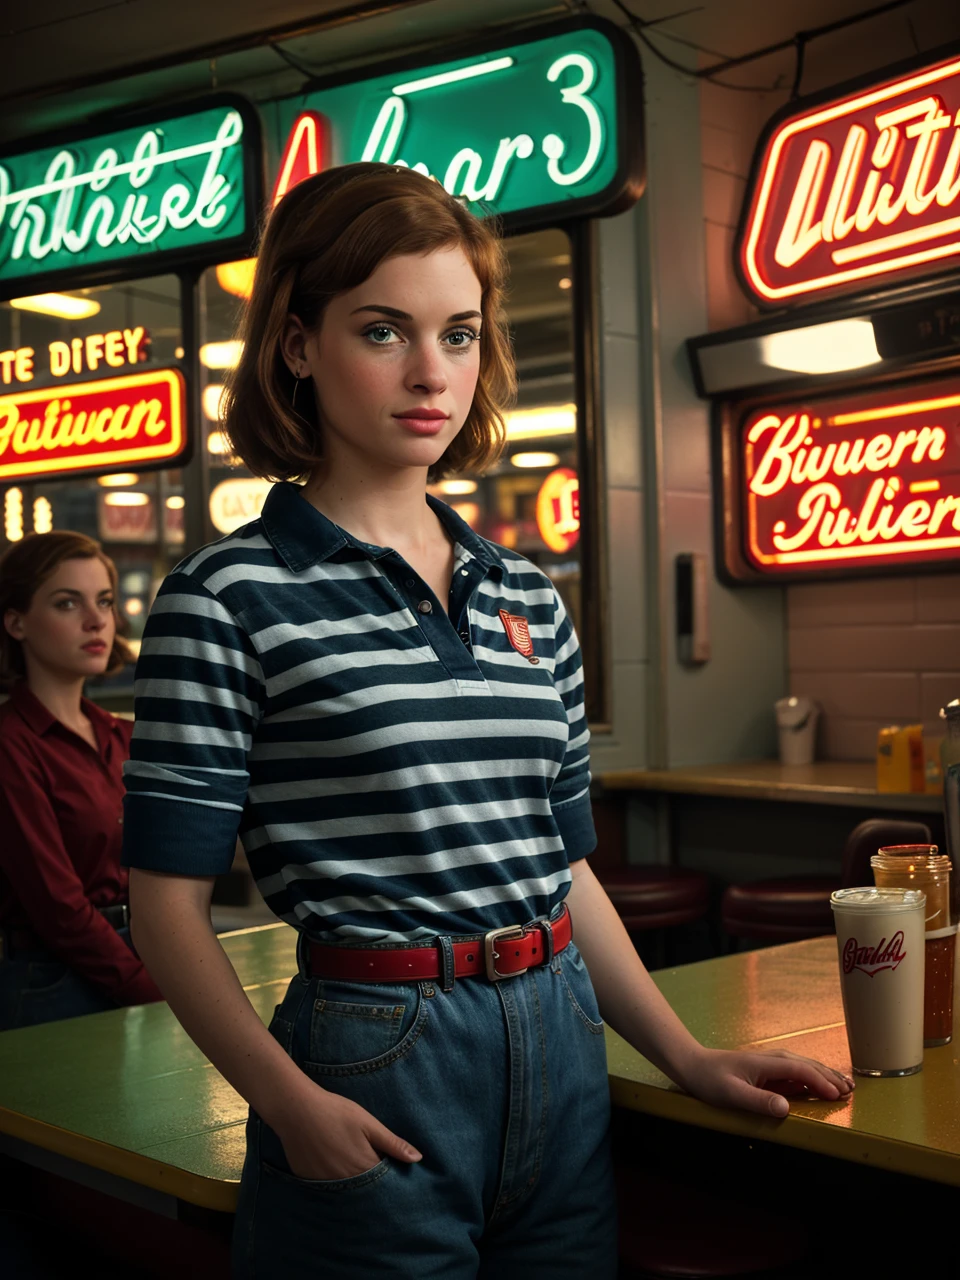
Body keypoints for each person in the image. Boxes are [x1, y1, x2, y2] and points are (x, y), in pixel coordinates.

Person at [122, 164, 853, 1279]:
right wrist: (289, 1102)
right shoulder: (225, 596)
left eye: (458, 333)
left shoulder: (524, 593)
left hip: (561, 1036)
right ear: (297, 344)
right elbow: (164, 906)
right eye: (383, 329)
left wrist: (682, 1053)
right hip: (374, 1045)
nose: (431, 372)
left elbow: (562, 868)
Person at [0, 531, 162, 1029]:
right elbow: (57, 907)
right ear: (16, 621)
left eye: (105, 602)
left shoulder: (125, 734)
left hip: (147, 953)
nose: (96, 621)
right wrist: (155, 992)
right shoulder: (11, 742)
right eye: (67, 603)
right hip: (52, 982)